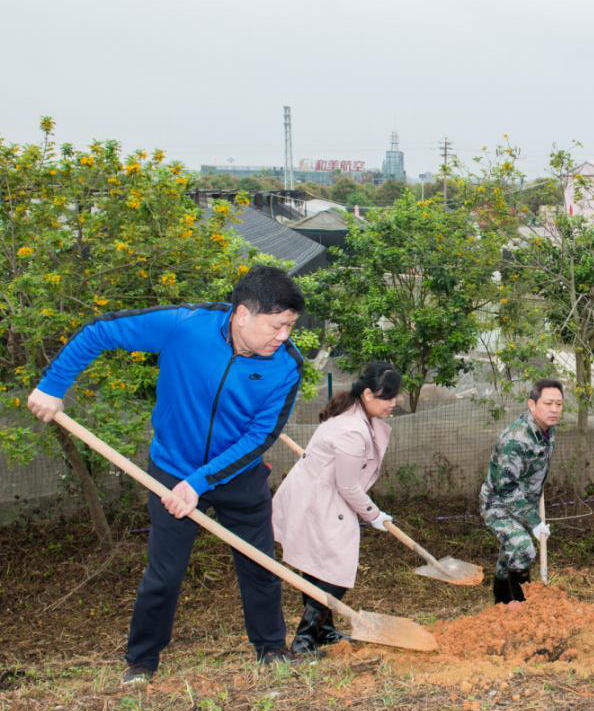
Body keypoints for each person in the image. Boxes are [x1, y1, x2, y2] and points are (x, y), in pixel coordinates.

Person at [27, 266, 307, 683]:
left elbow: (260, 436)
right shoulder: (185, 327)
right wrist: (53, 386)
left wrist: (200, 483)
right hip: (171, 471)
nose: (283, 337)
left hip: (238, 476)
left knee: (260, 566)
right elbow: (99, 331)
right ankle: (141, 661)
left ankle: (270, 649)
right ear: (243, 314)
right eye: (277, 325)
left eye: (289, 327)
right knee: (164, 575)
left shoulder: (286, 366)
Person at [272, 361, 401, 655]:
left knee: (318, 565)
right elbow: (348, 486)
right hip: (318, 499)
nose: (393, 404)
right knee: (335, 569)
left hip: (322, 494)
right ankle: (304, 640)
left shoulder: (355, 414)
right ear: (368, 394)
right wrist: (374, 515)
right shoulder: (351, 430)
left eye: (395, 397)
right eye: (387, 397)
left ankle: (324, 630)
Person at [479, 379, 564, 603]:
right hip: (497, 504)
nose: (554, 409)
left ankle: (500, 600)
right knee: (524, 548)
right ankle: (517, 600)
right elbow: (504, 487)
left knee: (510, 550)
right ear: (532, 404)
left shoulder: (547, 431)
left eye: (559, 404)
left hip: (523, 503)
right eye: (548, 403)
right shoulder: (515, 440)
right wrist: (535, 521)